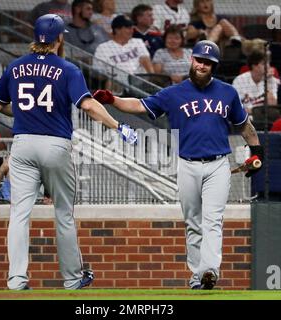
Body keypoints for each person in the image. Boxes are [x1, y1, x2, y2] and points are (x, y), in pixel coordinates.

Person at [93, 40, 264, 290]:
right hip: (187, 164)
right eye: (199, 60)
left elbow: (244, 125)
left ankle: (210, 271)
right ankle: (198, 278)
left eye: (208, 62)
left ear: (213, 66)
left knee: (213, 220)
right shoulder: (173, 93)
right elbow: (140, 105)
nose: (202, 65)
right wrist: (113, 99)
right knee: (193, 222)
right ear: (191, 60)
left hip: (218, 164)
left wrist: (256, 149)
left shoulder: (228, 92)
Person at [0, 14, 137, 291]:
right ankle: (72, 280)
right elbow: (89, 106)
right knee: (63, 214)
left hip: (22, 144)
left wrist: (25, 111)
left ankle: (16, 280)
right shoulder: (67, 68)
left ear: (35, 37)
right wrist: (119, 126)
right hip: (54, 145)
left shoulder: (15, 66)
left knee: (19, 214)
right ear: (59, 38)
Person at [93, 14, 154, 92]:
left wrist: (153, 80)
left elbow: (147, 62)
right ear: (117, 30)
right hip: (118, 85)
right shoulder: (103, 47)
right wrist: (110, 75)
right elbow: (97, 72)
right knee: (110, 83)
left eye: (132, 28)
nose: (132, 31)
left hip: (140, 83)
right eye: (128, 28)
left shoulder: (137, 42)